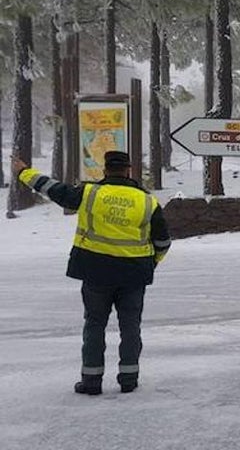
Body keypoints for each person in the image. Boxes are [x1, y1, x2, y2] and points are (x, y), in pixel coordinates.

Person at [11, 151, 170, 395]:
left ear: (105, 170)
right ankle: (128, 379)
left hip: (96, 272)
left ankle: (91, 381)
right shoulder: (148, 202)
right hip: (133, 275)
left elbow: (53, 189)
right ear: (128, 170)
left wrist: (23, 171)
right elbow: (163, 242)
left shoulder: (90, 193)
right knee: (130, 326)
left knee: (95, 324)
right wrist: (151, 263)